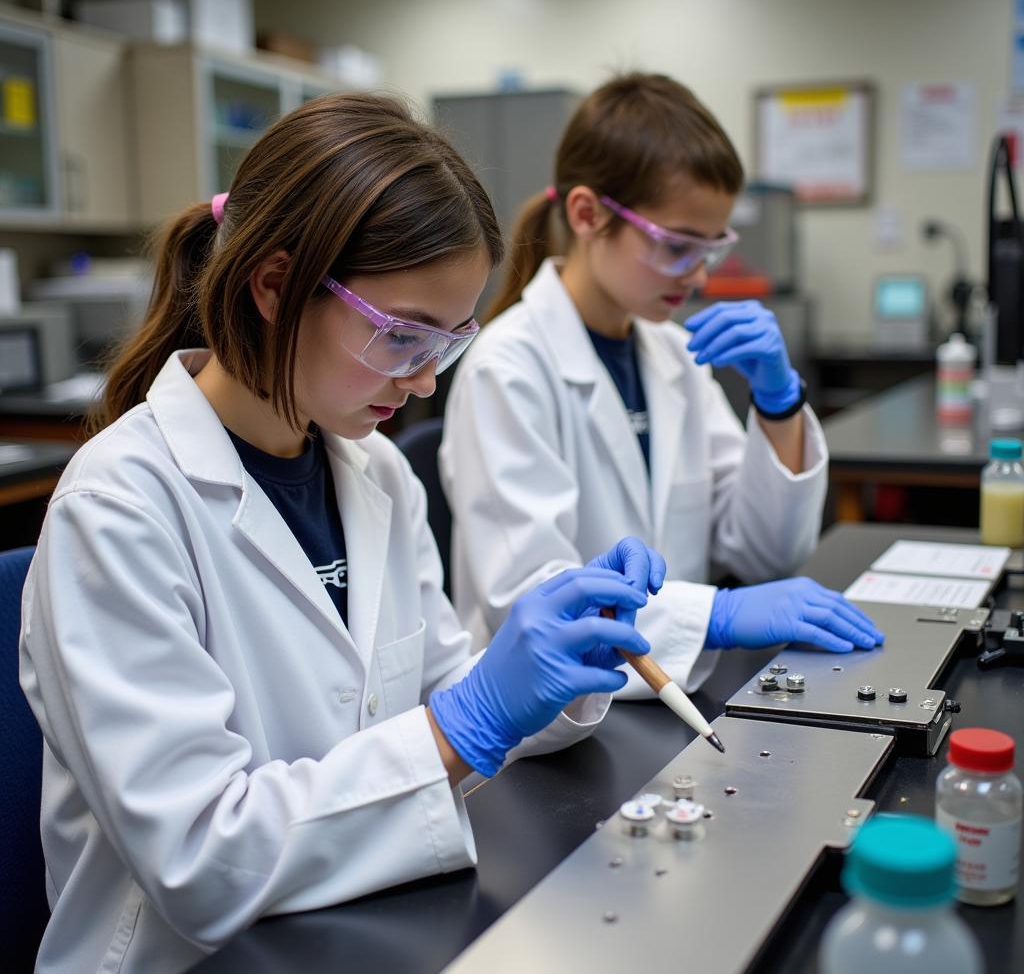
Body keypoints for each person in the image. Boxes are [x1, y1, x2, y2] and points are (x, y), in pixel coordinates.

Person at [18, 93, 665, 974]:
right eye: (403, 336)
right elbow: (200, 858)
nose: (426, 382)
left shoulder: (377, 474)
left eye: (448, 343)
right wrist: (467, 722)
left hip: (359, 922)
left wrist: (552, 657)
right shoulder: (121, 506)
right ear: (276, 285)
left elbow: (443, 691)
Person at [440, 73, 883, 697]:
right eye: (677, 246)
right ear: (588, 214)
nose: (698, 276)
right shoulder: (508, 366)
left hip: (674, 691)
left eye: (711, 248)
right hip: (550, 725)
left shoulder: (674, 354)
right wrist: (718, 617)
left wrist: (779, 403)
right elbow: (528, 598)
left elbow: (764, 556)